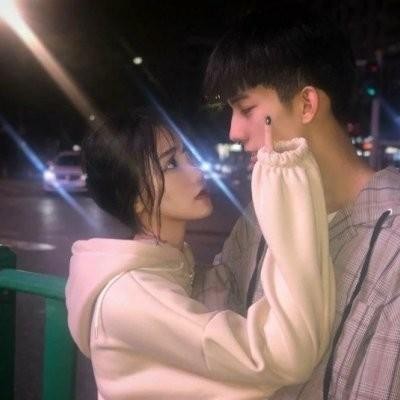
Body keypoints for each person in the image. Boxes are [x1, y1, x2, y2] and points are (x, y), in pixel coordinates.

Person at [65, 107, 335, 399]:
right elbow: (280, 356)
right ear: (137, 197)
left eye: (187, 156)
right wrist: (287, 182)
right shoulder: (134, 296)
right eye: (171, 164)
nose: (197, 171)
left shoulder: (171, 265)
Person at [203, 3, 400, 399]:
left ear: (307, 104)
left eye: (246, 108)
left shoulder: (391, 244)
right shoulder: (258, 218)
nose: (234, 131)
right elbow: (209, 317)